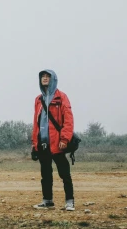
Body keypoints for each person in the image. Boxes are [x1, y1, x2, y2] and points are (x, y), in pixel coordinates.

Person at [31, 69, 75, 211]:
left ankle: (69, 201)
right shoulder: (38, 99)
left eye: (47, 76)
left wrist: (65, 139)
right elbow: (36, 123)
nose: (44, 78)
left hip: (58, 143)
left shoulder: (61, 97)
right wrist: (34, 142)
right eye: (42, 76)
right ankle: (47, 201)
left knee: (64, 173)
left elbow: (68, 120)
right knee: (45, 174)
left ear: (53, 79)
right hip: (43, 143)